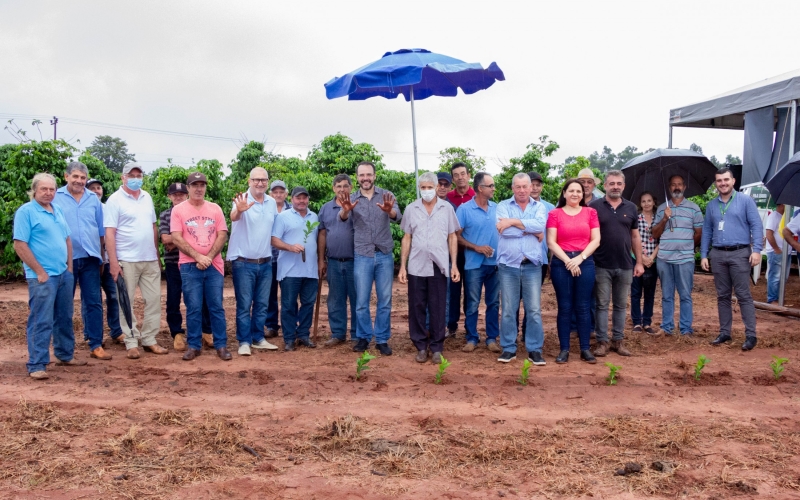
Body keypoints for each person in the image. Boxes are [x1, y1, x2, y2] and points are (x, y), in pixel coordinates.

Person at [14, 173, 87, 379]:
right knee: (41, 319)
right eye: (44, 189)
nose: (48, 193)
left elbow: (67, 240)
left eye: (52, 189)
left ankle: (65, 354)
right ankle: (37, 363)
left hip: (63, 274)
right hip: (43, 277)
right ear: (34, 190)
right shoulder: (26, 212)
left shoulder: (57, 210)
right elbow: (20, 244)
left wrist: (69, 269)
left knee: (64, 317)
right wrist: (39, 271)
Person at [104, 163, 169, 359]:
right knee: (126, 301)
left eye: (138, 174)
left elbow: (153, 227)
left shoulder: (146, 197)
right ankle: (131, 341)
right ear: (122, 177)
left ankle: (149, 339)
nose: (135, 178)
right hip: (126, 260)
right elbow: (109, 232)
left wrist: (157, 256)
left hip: (149, 259)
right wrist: (113, 262)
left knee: (153, 300)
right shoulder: (114, 200)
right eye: (131, 175)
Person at [340, 161, 402, 355]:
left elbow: (398, 216)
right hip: (362, 255)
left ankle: (382, 339)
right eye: (361, 175)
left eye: (369, 175)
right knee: (361, 301)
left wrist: (388, 210)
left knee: (385, 300)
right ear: (357, 178)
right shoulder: (351, 198)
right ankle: (364, 337)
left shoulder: (387, 195)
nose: (365, 178)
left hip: (384, 254)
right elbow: (341, 218)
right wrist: (346, 210)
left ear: (374, 176)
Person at [399, 173, 460, 363]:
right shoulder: (411, 209)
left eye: (429, 187)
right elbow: (407, 237)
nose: (426, 191)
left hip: (439, 265)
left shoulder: (447, 208)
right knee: (417, 306)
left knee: (438, 306)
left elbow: (452, 236)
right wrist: (402, 266)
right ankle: (420, 346)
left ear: (435, 187)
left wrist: (454, 265)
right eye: (422, 187)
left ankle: (436, 347)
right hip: (417, 265)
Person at [170, 172, 230, 361]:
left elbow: (222, 234)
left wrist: (209, 257)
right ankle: (194, 345)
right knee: (193, 307)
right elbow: (176, 237)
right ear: (188, 188)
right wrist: (197, 256)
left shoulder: (215, 209)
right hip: (189, 265)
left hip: (214, 266)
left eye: (202, 185)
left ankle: (221, 345)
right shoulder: (178, 210)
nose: (198, 188)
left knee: (216, 307)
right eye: (194, 185)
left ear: (205, 187)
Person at [53, 162, 110, 360]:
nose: (79, 181)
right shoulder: (56, 197)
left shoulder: (93, 199)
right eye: (75, 176)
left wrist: (102, 257)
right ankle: (64, 350)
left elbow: (101, 231)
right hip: (65, 260)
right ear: (66, 176)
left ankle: (95, 344)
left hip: (90, 259)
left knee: (94, 302)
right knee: (63, 304)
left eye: (83, 178)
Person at [702, 168, 763, 351]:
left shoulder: (745, 201)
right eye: (719, 181)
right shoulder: (712, 205)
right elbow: (707, 231)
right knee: (722, 296)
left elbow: (756, 225)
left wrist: (757, 250)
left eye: (726, 180)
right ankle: (725, 332)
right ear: (716, 184)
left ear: (733, 181)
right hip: (718, 254)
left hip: (740, 253)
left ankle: (751, 335)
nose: (723, 183)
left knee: (744, 295)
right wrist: (704, 254)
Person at [589, 170, 644, 357]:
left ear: (624, 186)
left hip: (625, 264)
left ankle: (618, 341)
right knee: (602, 305)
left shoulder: (631, 208)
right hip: (601, 263)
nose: (615, 187)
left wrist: (639, 262)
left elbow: (635, 236)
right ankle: (602, 342)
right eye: (611, 183)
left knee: (621, 305)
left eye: (619, 184)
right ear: (604, 185)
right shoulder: (594, 207)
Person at [546, 179, 601, 364]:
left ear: (583, 194)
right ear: (564, 193)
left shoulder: (590, 212)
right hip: (562, 263)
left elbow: (596, 240)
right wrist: (568, 261)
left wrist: (580, 258)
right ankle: (564, 349)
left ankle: (585, 349)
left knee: (584, 306)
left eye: (579, 191)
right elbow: (551, 241)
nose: (575, 194)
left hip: (584, 262)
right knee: (565, 307)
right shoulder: (555, 214)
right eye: (571, 190)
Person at [495, 173, 548, 364]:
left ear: (530, 187)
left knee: (533, 309)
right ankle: (509, 348)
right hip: (508, 265)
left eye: (525, 186)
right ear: (512, 188)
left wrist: (512, 222)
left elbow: (540, 224)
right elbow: (505, 231)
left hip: (532, 264)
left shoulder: (540, 207)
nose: (522, 190)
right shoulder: (502, 206)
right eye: (518, 187)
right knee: (509, 308)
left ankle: (534, 349)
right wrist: (530, 230)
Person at [228, 167, 280, 355]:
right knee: (244, 304)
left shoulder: (271, 202)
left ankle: (258, 338)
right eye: (256, 180)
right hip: (243, 262)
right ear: (249, 181)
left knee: (262, 304)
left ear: (267, 182)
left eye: (263, 180)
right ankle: (244, 341)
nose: (260, 183)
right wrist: (239, 211)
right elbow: (234, 216)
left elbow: (275, 228)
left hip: (265, 262)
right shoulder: (242, 199)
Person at [160, 182, 213, 351]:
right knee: (174, 298)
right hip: (173, 263)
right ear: (169, 197)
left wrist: (178, 239)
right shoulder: (166, 215)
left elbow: (175, 239)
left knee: (201, 298)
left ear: (187, 194)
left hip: (194, 262)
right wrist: (184, 239)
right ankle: (177, 333)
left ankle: (206, 331)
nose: (178, 197)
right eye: (175, 195)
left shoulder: (198, 212)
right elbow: (165, 239)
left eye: (181, 194)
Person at [651, 175, 703, 335]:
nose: (677, 187)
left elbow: (699, 233)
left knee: (685, 294)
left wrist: (687, 246)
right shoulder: (661, 209)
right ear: (669, 187)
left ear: (685, 187)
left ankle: (686, 328)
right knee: (667, 295)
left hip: (685, 259)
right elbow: (654, 234)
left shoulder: (694, 208)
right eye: (673, 185)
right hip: (664, 259)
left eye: (679, 184)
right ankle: (667, 327)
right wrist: (665, 219)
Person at [271, 187, 320, 351]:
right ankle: (289, 338)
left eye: (304, 198)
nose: (301, 201)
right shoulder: (283, 217)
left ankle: (303, 335)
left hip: (310, 269)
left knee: (308, 303)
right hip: (289, 270)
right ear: (291, 199)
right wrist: (290, 247)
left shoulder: (314, 217)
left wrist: (321, 261)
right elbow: (274, 240)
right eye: (298, 198)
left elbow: (318, 240)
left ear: (308, 199)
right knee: (288, 305)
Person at [456, 172, 500, 353]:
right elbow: (455, 237)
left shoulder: (498, 208)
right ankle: (472, 337)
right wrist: (477, 247)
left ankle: (491, 338)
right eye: (490, 186)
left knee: (494, 302)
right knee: (472, 302)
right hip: (473, 265)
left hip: (495, 265)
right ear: (480, 188)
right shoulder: (464, 210)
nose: (493, 188)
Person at [317, 174, 358, 346]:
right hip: (333, 261)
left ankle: (358, 334)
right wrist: (321, 260)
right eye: (338, 186)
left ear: (351, 187)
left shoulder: (358, 205)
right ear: (333, 188)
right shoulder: (326, 208)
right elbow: (322, 234)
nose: (342, 189)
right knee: (335, 299)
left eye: (345, 186)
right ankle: (338, 333)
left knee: (357, 299)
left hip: (356, 261)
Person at [86, 178, 125, 345]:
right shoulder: (84, 208)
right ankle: (91, 335)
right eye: (92, 188)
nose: (96, 190)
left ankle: (116, 331)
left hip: (109, 260)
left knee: (114, 296)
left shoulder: (107, 208)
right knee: (91, 299)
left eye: (98, 187)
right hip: (91, 261)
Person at [446, 162, 475, 336]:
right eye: (456, 175)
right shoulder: (448, 198)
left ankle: (469, 327)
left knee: (471, 290)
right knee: (453, 290)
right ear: (453, 179)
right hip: (453, 253)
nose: (460, 177)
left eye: (463, 174)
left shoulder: (477, 195)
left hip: (472, 252)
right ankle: (451, 324)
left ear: (469, 175)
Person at [630, 192, 660, 334]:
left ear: (654, 202)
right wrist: (641, 257)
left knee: (650, 292)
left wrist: (652, 257)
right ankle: (636, 322)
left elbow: (662, 240)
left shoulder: (659, 218)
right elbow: (631, 239)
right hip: (636, 259)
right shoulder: (635, 218)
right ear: (640, 203)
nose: (646, 203)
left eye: (649, 200)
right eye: (643, 201)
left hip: (653, 261)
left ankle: (647, 322)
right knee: (635, 292)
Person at [265, 180, 290, 338]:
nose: (278, 195)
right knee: (270, 294)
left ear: (286, 194)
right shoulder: (266, 209)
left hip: (288, 258)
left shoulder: (293, 209)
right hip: (270, 258)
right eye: (275, 192)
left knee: (289, 293)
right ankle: (271, 325)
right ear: (271, 194)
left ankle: (290, 323)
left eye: (281, 192)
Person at [765, 204, 788, 304]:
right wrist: (776, 248)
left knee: (783, 277)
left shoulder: (785, 217)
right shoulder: (774, 216)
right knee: (775, 276)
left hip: (785, 251)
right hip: (776, 251)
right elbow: (769, 233)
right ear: (783, 205)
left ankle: (778, 298)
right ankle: (772, 299)